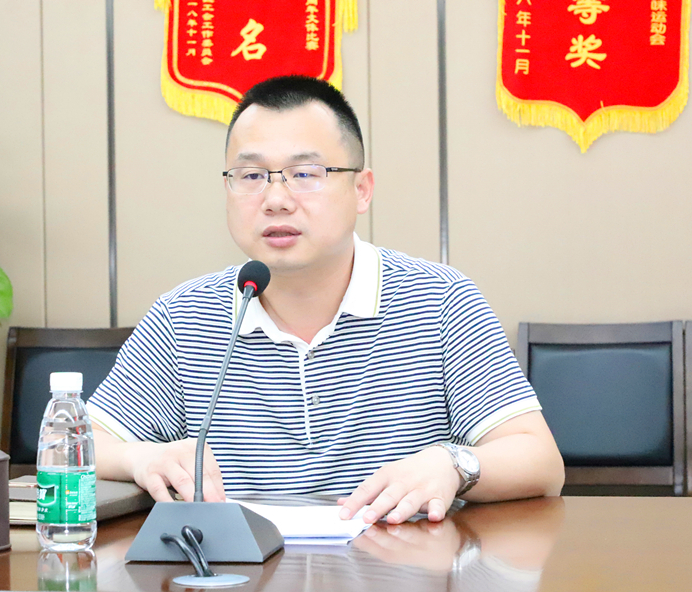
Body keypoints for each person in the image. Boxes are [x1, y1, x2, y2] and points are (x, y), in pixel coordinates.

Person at [88, 75, 564, 524]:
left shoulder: (441, 301)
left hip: (404, 566)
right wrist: (140, 457)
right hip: (238, 570)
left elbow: (541, 462)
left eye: (305, 173)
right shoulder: (185, 316)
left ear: (362, 189)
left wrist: (453, 465)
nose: (276, 199)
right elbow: (80, 444)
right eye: (250, 176)